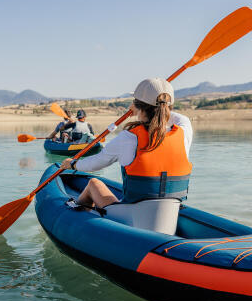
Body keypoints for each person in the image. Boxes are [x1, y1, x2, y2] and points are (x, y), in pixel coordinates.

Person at [61, 78, 192, 209]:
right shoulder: (183, 133)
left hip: (130, 216)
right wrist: (158, 107)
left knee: (94, 184)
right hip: (170, 214)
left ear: (138, 106)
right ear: (169, 107)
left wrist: (72, 164)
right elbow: (182, 119)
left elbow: (94, 164)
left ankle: (78, 213)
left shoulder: (128, 138)